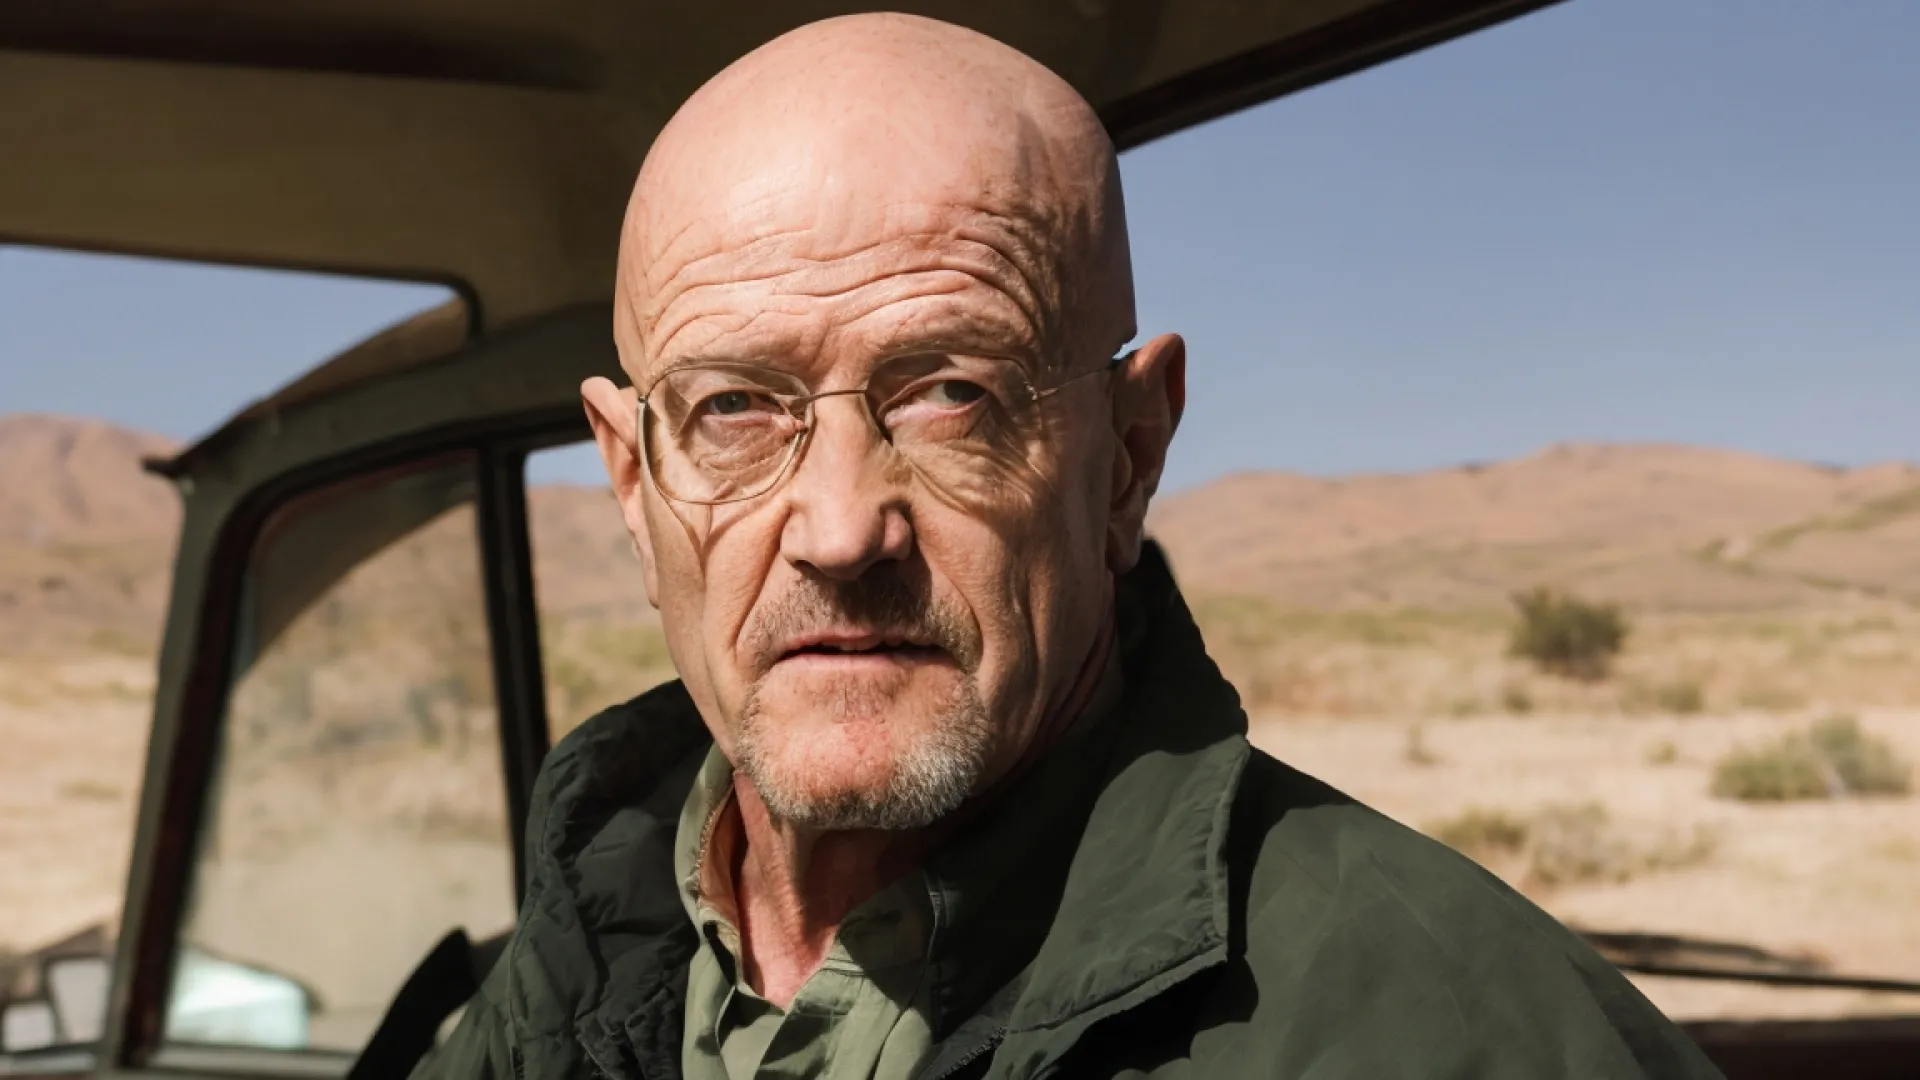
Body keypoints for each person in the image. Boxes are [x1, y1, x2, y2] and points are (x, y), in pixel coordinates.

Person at [413, 12, 1723, 1080]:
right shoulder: (566, 979)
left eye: (952, 395)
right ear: (633, 478)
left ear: (1129, 455)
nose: (841, 529)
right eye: (736, 410)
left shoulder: (1452, 1034)